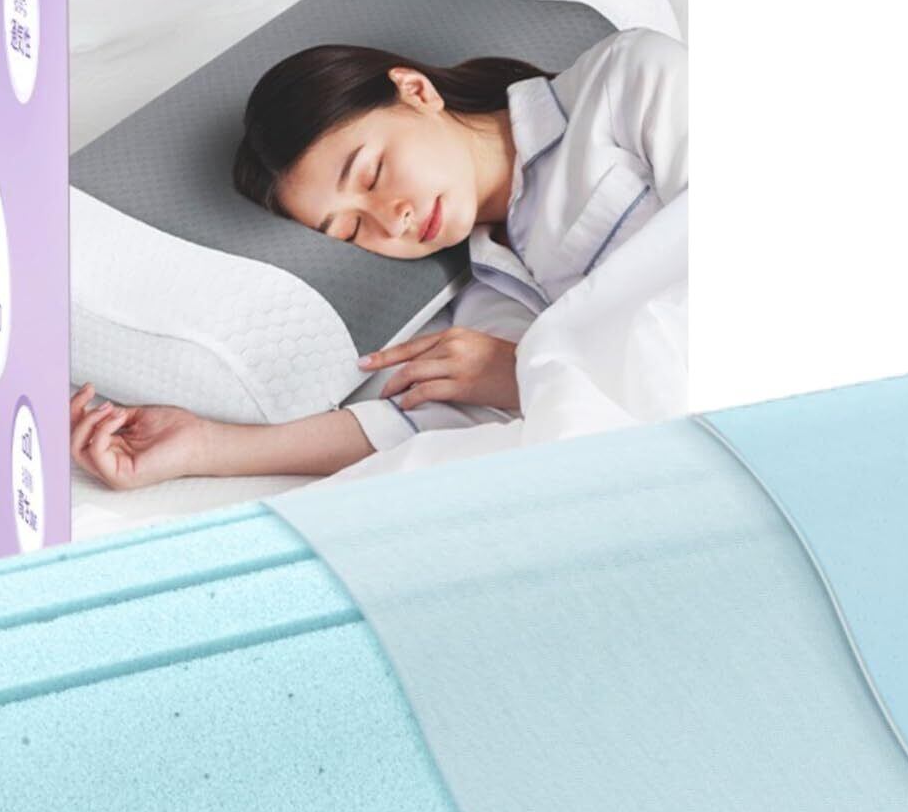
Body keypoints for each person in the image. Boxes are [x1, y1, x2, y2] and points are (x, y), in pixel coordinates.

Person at [71, 24, 687, 491]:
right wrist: (206, 447)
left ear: (416, 91)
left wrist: (529, 366)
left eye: (372, 173)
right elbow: (433, 428)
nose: (393, 220)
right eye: (351, 229)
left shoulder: (623, 80)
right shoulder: (488, 291)